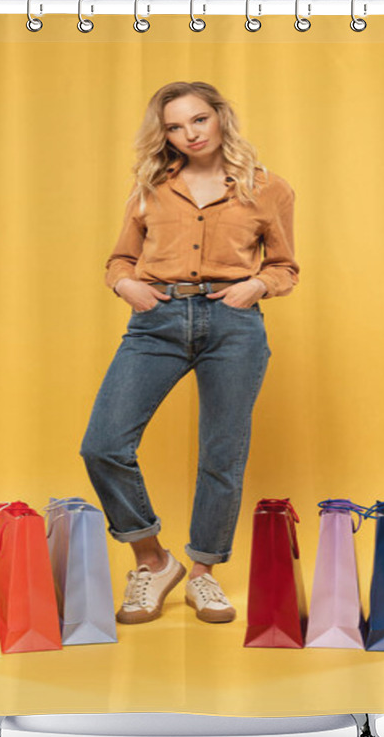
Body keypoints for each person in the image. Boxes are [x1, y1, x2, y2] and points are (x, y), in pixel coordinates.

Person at [80, 81, 299, 627]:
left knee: (222, 455)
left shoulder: (269, 189)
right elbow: (120, 260)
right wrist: (126, 286)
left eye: (198, 120)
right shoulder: (149, 187)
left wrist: (258, 287)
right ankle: (153, 561)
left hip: (234, 324)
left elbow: (285, 267)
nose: (189, 134)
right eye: (175, 127)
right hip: (158, 322)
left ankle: (202, 573)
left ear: (221, 118)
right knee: (104, 445)